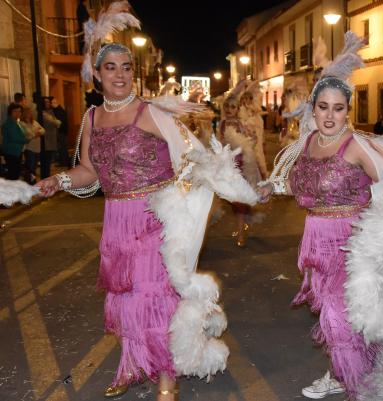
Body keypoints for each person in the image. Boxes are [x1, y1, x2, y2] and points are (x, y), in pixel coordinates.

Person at [35, 3, 257, 399]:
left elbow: (192, 157)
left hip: (154, 218)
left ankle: (167, 379)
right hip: (116, 219)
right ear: (97, 75)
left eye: (125, 67)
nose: (120, 74)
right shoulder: (91, 119)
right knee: (125, 302)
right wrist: (59, 179)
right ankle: (133, 364)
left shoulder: (152, 112)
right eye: (111, 67)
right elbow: (90, 171)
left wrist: (218, 188)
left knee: (156, 299)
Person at [259, 31, 383, 401]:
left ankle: (357, 388)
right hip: (314, 240)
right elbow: (301, 185)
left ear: (348, 110)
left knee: (341, 321)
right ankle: (341, 373)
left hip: (349, 242)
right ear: (313, 108)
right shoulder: (309, 142)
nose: (329, 115)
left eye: (338, 108)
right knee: (338, 319)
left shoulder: (356, 144)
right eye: (322, 107)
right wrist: (271, 188)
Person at [218, 81, 262, 247]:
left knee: (240, 200)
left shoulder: (241, 124)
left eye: (233, 107)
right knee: (233, 200)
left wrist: (251, 141)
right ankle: (242, 225)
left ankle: (241, 234)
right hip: (229, 166)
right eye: (227, 106)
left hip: (241, 165)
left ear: (238, 109)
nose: (230, 109)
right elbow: (220, 143)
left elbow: (252, 140)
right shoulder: (222, 124)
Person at [2, 103, 27, 180]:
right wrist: (29, 139)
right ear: (10, 112)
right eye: (15, 111)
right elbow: (15, 138)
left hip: (16, 152)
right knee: (13, 174)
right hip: (11, 152)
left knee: (15, 173)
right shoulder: (9, 124)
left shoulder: (16, 123)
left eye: (19, 111)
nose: (18, 113)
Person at [20, 107, 45, 184]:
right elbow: (28, 134)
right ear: (24, 114)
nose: (29, 114)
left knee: (34, 167)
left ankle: (32, 181)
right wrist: (36, 132)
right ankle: (30, 182)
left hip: (37, 148)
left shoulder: (34, 122)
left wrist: (38, 132)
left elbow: (43, 130)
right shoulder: (22, 123)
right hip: (29, 148)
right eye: (27, 112)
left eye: (30, 112)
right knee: (30, 167)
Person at [41, 97, 61, 177]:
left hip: (52, 137)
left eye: (48, 102)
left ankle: (47, 176)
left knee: (49, 161)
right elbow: (54, 121)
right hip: (45, 139)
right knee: (45, 161)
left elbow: (58, 122)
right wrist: (55, 122)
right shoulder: (42, 113)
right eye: (46, 102)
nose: (48, 104)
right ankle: (45, 177)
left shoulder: (51, 111)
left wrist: (56, 122)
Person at [52, 98, 69, 166]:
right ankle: (64, 161)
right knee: (63, 147)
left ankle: (63, 162)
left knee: (62, 147)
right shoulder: (61, 109)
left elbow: (59, 122)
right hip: (63, 131)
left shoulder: (58, 111)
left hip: (61, 131)